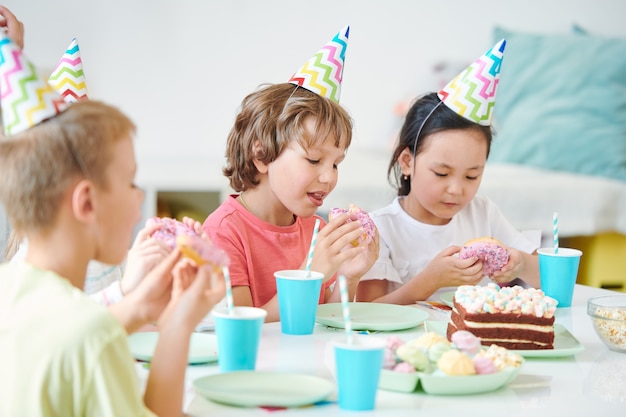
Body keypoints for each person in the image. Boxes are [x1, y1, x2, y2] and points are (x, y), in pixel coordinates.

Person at [0, 32, 225, 416]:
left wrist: (139, 306)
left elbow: (66, 335)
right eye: (130, 182)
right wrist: (176, 328)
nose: (139, 197)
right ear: (87, 201)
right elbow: (88, 337)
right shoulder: (94, 338)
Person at [203, 26, 379, 322]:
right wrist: (309, 274)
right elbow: (240, 324)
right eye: (313, 160)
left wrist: (349, 277)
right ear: (262, 155)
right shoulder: (223, 232)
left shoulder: (315, 230)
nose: (328, 177)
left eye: (336, 164)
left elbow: (324, 319)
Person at [356, 39, 540, 305]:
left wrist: (521, 264)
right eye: (442, 173)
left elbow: (552, 278)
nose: (456, 189)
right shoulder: (381, 229)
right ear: (407, 161)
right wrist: (430, 280)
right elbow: (366, 312)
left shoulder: (483, 213)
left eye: (472, 176)